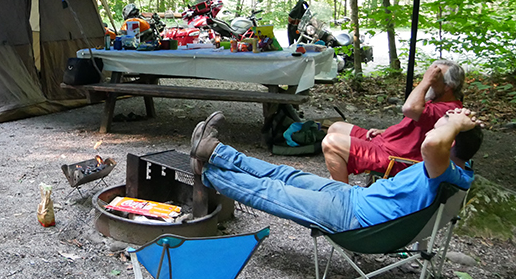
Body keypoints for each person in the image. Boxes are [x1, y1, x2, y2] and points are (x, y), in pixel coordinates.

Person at [190, 109, 482, 233]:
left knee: (274, 192)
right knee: (285, 175)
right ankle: (214, 151)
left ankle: (207, 170)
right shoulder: (461, 169)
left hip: (354, 218)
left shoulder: (444, 169)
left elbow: (432, 145)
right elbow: (434, 143)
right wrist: (455, 124)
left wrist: (454, 123)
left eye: (442, 125)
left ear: (451, 141)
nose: (435, 127)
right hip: (354, 197)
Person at [321, 60, 465, 182]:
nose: (429, 81)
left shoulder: (447, 111)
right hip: (385, 143)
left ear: (448, 86)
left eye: (435, 78)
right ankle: (335, 180)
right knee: (336, 127)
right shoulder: (435, 102)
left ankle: (341, 196)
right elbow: (414, 127)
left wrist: (425, 81)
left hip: (395, 158)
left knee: (331, 143)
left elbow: (409, 109)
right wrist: (386, 131)